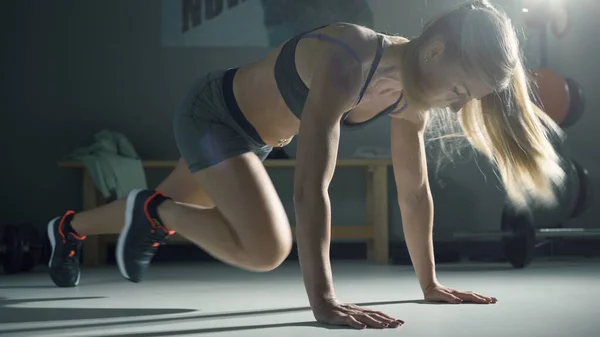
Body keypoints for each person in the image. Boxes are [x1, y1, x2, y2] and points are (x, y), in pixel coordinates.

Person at [47, 0, 566, 330]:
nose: (456, 105)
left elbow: (414, 192)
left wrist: (428, 284)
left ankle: (67, 230)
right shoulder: (348, 55)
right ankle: (158, 214)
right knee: (267, 248)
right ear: (434, 52)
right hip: (213, 116)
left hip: (254, 139)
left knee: (180, 197)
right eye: (459, 89)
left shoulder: (410, 101)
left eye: (465, 99)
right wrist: (324, 301)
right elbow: (312, 188)